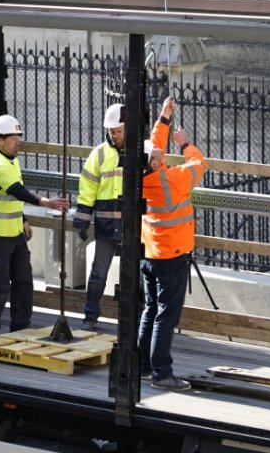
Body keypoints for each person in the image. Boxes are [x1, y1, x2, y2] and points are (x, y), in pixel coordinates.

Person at [0, 114, 69, 338]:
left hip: (14, 232)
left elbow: (11, 199)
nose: (18, 141)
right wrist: (44, 202)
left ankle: (20, 329)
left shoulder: (11, 160)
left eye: (19, 137)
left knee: (24, 281)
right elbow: (18, 191)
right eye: (12, 138)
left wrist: (23, 219)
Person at [138, 98, 206, 391]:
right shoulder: (173, 179)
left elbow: (152, 144)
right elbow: (200, 165)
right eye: (157, 153)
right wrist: (185, 142)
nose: (160, 150)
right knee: (166, 315)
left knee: (150, 310)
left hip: (150, 254)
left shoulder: (138, 176)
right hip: (173, 257)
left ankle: (141, 365)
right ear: (155, 161)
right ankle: (161, 373)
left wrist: (164, 118)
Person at [72, 101, 126, 331]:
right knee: (98, 273)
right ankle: (90, 316)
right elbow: (87, 187)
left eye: (118, 131)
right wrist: (82, 218)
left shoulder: (140, 151)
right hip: (107, 224)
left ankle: (133, 321)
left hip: (131, 224)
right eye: (111, 131)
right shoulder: (100, 153)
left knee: (136, 275)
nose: (114, 135)